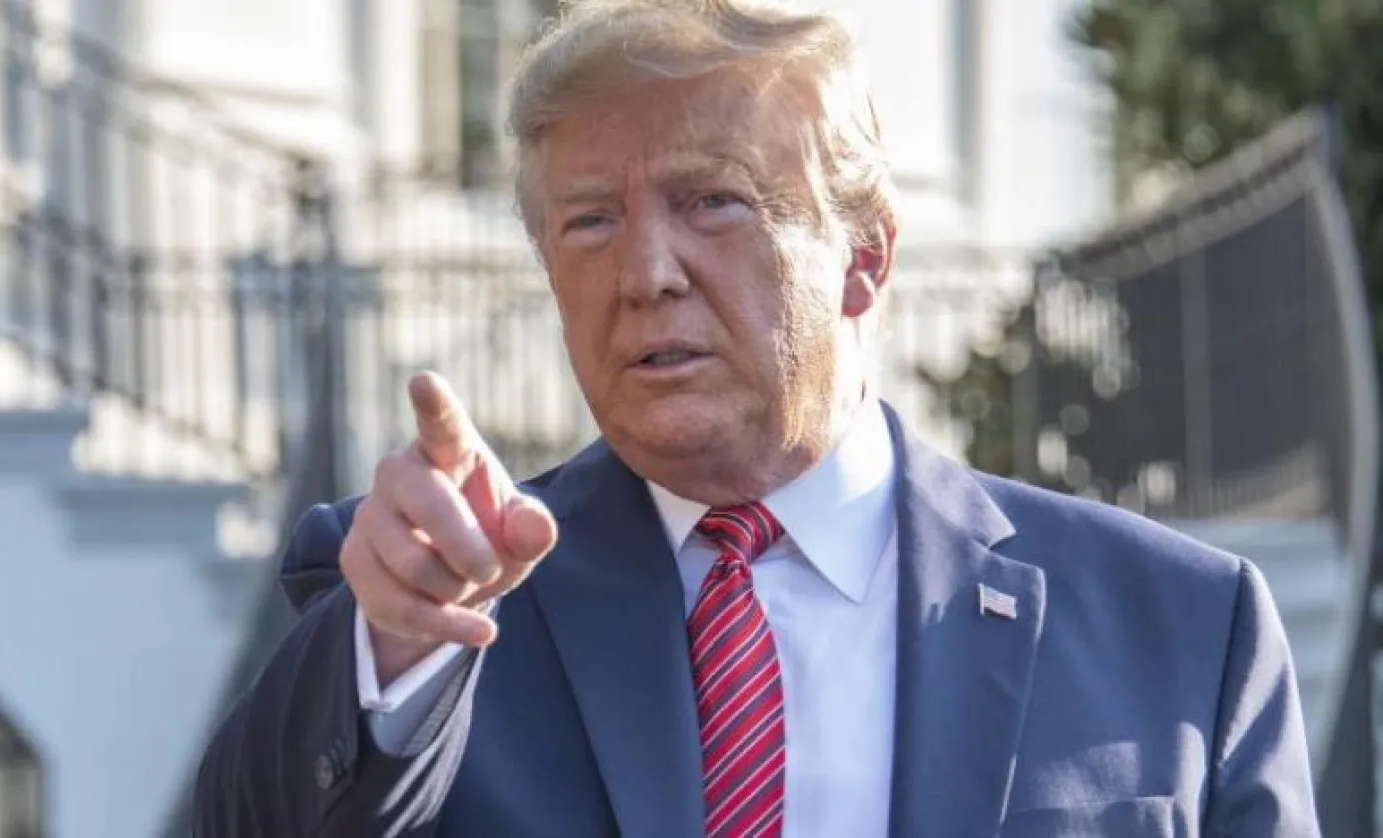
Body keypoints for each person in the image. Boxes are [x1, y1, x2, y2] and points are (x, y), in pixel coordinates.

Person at [192, 1, 1321, 835]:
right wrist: (395, 646)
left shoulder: (1182, 628)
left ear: (865, 258)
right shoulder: (420, 605)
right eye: (589, 222)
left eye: (712, 202)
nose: (646, 271)